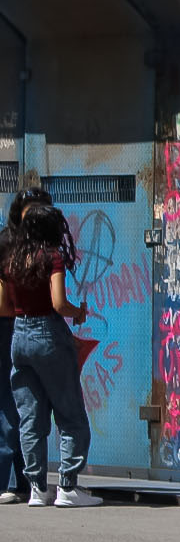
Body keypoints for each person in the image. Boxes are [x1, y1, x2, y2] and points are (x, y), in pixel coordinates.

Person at [0, 196, 101, 507]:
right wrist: (77, 313)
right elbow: (58, 302)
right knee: (69, 412)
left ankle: (36, 487)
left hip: (19, 335)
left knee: (30, 416)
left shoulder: (11, 259)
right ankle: (68, 486)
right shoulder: (52, 257)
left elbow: (3, 306)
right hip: (48, 334)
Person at [0, 193, 30, 503]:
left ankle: (16, 479)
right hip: (12, 325)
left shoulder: (16, 242)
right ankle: (14, 480)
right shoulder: (17, 245)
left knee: (15, 402)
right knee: (15, 402)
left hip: (14, 326)